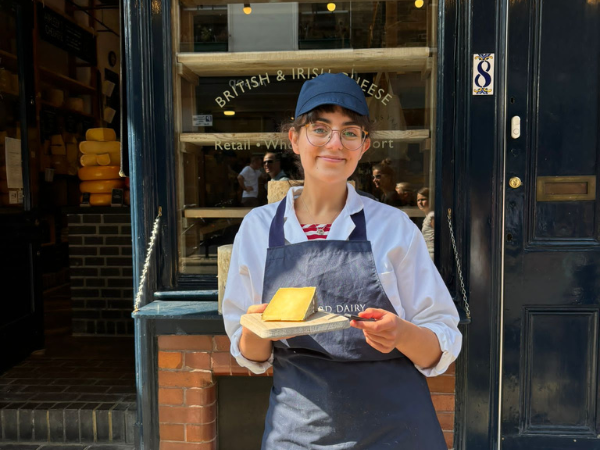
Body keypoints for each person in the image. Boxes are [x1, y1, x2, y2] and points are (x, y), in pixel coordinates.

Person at [222, 72, 461, 449]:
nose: (335, 143)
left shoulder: (393, 227)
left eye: (349, 132)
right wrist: (255, 326)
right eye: (320, 128)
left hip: (396, 431)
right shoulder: (258, 228)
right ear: (294, 138)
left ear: (364, 145)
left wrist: (402, 333)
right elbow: (251, 354)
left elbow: (441, 344)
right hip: (300, 432)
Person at [418, 187, 434, 259]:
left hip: (432, 252)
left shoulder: (432, 216)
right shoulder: (427, 217)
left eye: (423, 199)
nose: (420, 202)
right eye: (418, 200)